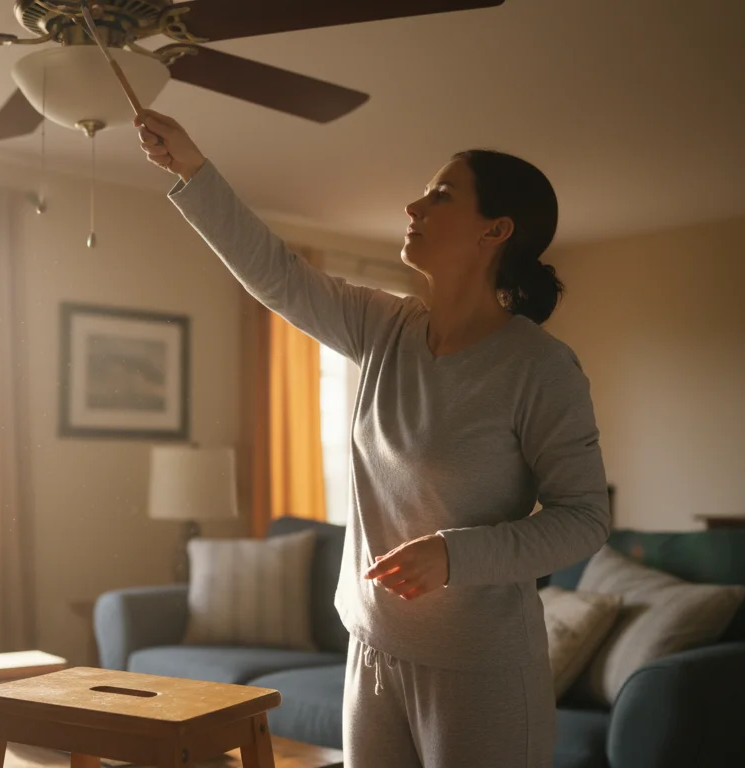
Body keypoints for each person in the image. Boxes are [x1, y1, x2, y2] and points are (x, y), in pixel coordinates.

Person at [134, 109, 610, 768]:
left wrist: (454, 554)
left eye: (441, 195)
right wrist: (191, 166)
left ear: (494, 231)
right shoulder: (384, 327)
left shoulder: (539, 367)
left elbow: (585, 519)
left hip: (480, 670)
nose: (414, 205)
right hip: (372, 648)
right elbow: (274, 274)